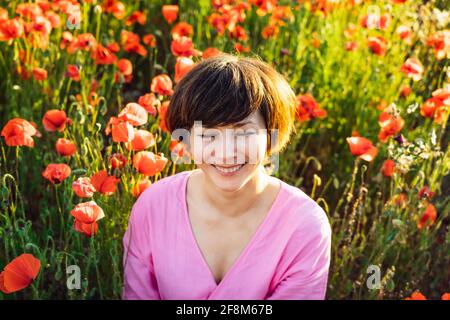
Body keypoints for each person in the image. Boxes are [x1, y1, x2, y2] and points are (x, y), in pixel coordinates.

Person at [122, 53, 331, 300]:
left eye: (244, 133)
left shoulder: (304, 226)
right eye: (208, 134)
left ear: (271, 133)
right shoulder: (154, 208)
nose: (226, 152)